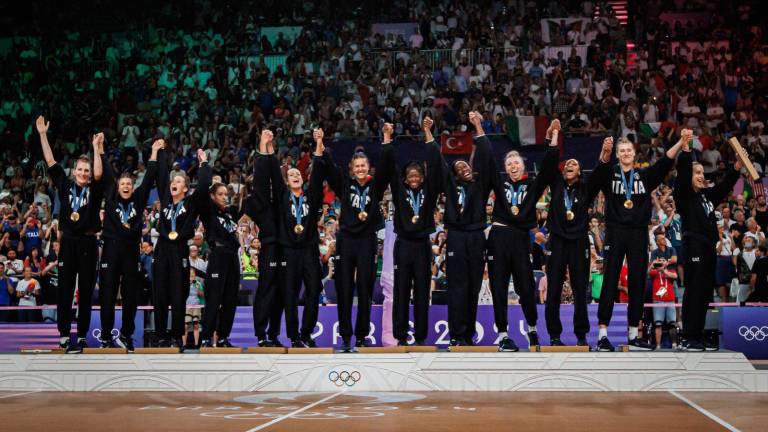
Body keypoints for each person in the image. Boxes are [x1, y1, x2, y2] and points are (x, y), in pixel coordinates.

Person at [591, 133, 685, 351]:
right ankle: (602, 334)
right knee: (610, 279)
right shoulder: (610, 173)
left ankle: (634, 334)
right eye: (621, 151)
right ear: (617, 155)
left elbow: (665, 162)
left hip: (638, 233)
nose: (625, 153)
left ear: (634, 154)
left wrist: (680, 143)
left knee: (636, 282)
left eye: (629, 150)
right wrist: (605, 152)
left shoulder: (644, 175)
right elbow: (597, 174)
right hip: (615, 231)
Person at [488, 119, 560, 351]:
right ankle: (503, 334)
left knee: (526, 288)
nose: (512, 165)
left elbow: (549, 166)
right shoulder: (499, 184)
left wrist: (552, 137)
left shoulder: (532, 186)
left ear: (523, 165)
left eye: (515, 161)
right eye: (508, 162)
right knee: (498, 287)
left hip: (520, 239)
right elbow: (484, 160)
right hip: (498, 237)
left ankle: (532, 329)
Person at [320, 124, 392, 352]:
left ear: (369, 167)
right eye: (357, 166)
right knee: (343, 289)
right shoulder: (344, 184)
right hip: (346, 241)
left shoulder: (376, 186)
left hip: (367, 241)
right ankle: (345, 337)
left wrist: (387, 138)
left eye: (364, 165)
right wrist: (320, 145)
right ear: (351, 167)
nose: (360, 169)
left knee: (364, 290)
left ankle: (361, 337)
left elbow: (387, 166)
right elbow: (329, 170)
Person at [37, 116, 104, 353]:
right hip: (68, 242)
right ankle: (65, 334)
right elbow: (50, 160)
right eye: (80, 169)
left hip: (88, 241)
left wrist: (96, 149)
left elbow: (98, 174)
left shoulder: (94, 190)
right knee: (65, 289)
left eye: (86, 170)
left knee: (85, 290)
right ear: (74, 171)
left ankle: (83, 334)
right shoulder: (64, 184)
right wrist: (43, 134)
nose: (84, 173)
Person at [254, 128, 326, 348]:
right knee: (290, 295)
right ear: (287, 181)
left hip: (309, 249)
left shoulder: (311, 196)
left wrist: (319, 144)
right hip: (287, 250)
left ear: (303, 179)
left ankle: (306, 333)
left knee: (314, 291)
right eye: (291, 175)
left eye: (298, 175)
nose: (295, 176)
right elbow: (274, 172)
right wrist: (267, 145)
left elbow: (319, 172)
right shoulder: (282, 196)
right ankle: (294, 337)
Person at [674, 132, 741, 351]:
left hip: (709, 248)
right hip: (693, 245)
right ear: (688, 176)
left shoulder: (705, 196)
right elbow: (683, 174)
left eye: (703, 172)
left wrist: (737, 168)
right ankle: (687, 336)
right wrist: (686, 150)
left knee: (704, 292)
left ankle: (698, 333)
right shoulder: (683, 195)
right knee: (693, 290)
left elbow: (722, 188)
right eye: (697, 173)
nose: (702, 176)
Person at [544, 134, 611, 346]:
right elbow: (549, 163)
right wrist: (554, 139)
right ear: (563, 171)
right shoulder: (556, 184)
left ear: (580, 172)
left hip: (579, 242)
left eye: (575, 164)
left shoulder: (585, 189)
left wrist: (605, 154)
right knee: (553, 288)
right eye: (568, 163)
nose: (571, 165)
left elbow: (600, 174)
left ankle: (581, 336)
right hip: (556, 241)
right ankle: (555, 336)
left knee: (579, 289)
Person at [97, 138, 162, 351]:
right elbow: (106, 172)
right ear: (118, 186)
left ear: (132, 187)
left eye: (129, 184)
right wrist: (99, 150)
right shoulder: (111, 195)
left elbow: (150, 174)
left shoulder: (139, 197)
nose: (125, 186)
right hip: (111, 249)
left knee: (130, 296)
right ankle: (106, 337)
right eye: (122, 183)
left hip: (131, 252)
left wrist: (153, 151)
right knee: (107, 293)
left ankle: (126, 334)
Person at [435, 111, 493, 346]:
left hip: (477, 236)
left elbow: (486, 158)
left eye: (467, 165)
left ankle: (468, 335)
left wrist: (478, 127)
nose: (465, 168)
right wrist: (431, 134)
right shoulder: (449, 187)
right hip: (457, 236)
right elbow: (437, 163)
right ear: (454, 173)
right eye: (459, 166)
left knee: (473, 287)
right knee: (457, 287)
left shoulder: (480, 184)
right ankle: (456, 335)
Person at [383, 117, 442, 346]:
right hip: (404, 244)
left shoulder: (430, 190)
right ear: (405, 179)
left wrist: (428, 132)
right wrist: (387, 138)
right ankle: (400, 336)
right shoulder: (400, 191)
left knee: (421, 292)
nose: (414, 179)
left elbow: (435, 164)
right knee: (401, 290)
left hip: (422, 246)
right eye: (410, 176)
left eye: (418, 176)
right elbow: (390, 168)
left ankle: (420, 336)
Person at [153, 146, 211, 351]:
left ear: (186, 188)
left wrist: (203, 162)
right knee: (160, 294)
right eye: (173, 182)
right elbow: (160, 175)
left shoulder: (190, 202)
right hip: (162, 249)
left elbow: (204, 185)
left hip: (179, 250)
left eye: (178, 181)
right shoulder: (166, 200)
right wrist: (158, 152)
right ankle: (161, 336)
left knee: (178, 295)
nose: (173, 184)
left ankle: (177, 336)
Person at [197, 160, 245, 349]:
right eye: (221, 194)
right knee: (214, 299)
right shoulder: (208, 211)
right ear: (212, 196)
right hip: (217, 255)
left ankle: (223, 337)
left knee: (230, 300)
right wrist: (204, 166)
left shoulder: (230, 214)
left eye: (226, 194)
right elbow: (202, 192)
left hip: (232, 257)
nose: (225, 197)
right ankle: (206, 337)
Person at [244, 130, 284, 348]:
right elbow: (262, 181)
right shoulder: (257, 203)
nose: (267, 186)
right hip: (269, 247)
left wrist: (270, 151)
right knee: (267, 289)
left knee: (279, 293)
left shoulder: (280, 201)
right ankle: (261, 334)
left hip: (285, 248)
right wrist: (262, 147)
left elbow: (277, 181)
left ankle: (274, 333)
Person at [649, 256, 678, 350]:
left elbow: (675, 276)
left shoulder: (671, 270)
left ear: (667, 263)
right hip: (658, 301)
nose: (661, 262)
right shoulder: (655, 272)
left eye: (663, 260)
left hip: (670, 300)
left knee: (672, 323)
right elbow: (647, 273)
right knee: (658, 324)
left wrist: (663, 270)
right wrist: (652, 265)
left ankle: (674, 345)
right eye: (660, 261)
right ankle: (658, 345)